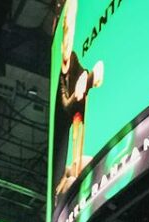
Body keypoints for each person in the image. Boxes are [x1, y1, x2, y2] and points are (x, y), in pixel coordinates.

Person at [53, 0, 106, 194]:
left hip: (73, 158)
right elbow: (65, 106)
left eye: (71, 25)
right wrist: (82, 89)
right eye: (65, 26)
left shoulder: (75, 63)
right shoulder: (60, 75)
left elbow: (91, 78)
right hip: (59, 173)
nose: (68, 34)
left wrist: (91, 78)